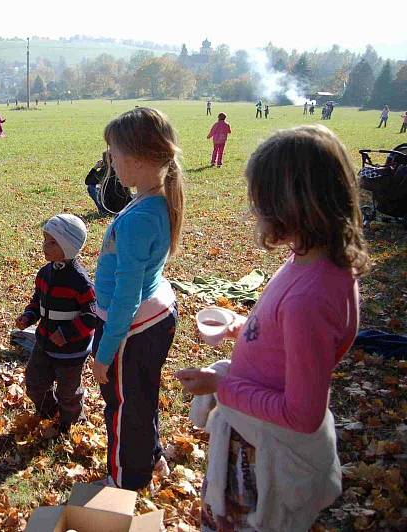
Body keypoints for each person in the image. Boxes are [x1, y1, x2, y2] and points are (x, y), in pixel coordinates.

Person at [176, 124, 369, 531]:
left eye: (260, 201)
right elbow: (290, 340)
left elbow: (301, 414)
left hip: (262, 455)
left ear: (291, 204)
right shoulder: (318, 261)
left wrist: (220, 387)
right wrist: (241, 327)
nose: (255, 211)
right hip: (257, 437)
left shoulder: (309, 298)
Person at [92, 107, 183, 490]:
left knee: (124, 405)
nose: (109, 159)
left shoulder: (138, 218)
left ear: (138, 158)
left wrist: (104, 353)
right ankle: (151, 455)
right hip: (153, 315)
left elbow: (126, 297)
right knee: (141, 395)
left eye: (112, 151)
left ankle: (125, 481)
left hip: (131, 328)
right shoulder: (155, 199)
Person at [15, 214, 97, 433]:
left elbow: (92, 315)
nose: (45, 246)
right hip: (44, 342)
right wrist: (29, 316)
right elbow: (37, 301)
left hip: (70, 351)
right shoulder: (45, 273)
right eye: (44, 240)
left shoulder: (80, 281)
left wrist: (67, 334)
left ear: (69, 247)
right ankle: (48, 410)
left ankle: (70, 421)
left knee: (68, 392)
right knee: (34, 383)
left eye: (52, 242)